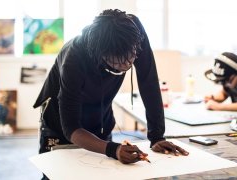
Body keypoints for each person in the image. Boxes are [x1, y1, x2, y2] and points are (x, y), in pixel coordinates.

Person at [33, 9, 189, 172]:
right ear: (101, 55)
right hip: (60, 124)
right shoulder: (74, 58)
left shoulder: (133, 32)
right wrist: (113, 149)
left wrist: (156, 137)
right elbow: (71, 128)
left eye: (131, 57)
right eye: (119, 63)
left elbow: (148, 82)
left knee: (105, 173)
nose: (128, 64)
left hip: (100, 119)